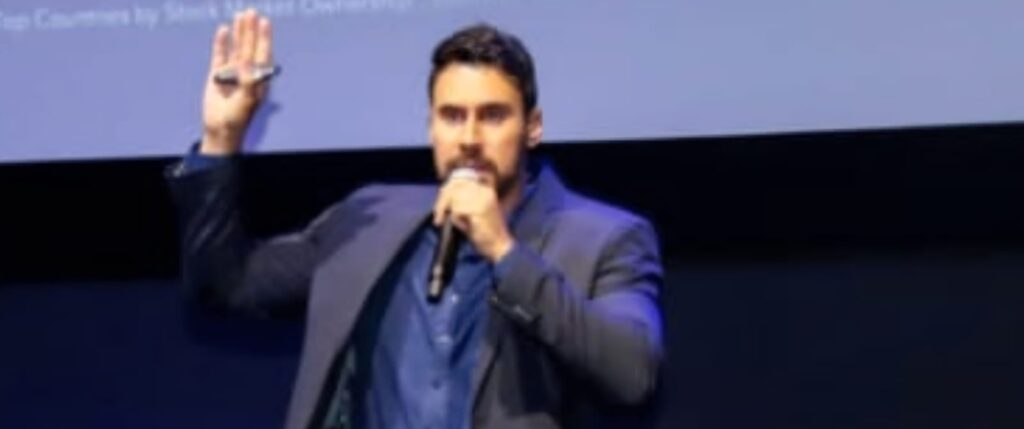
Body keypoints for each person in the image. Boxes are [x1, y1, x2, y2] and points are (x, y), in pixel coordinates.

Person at [167, 9, 664, 429]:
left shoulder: (605, 239)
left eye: (492, 115)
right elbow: (226, 286)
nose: (469, 138)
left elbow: (632, 376)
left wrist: (505, 252)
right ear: (430, 125)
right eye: (451, 116)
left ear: (532, 127)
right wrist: (221, 140)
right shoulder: (370, 219)